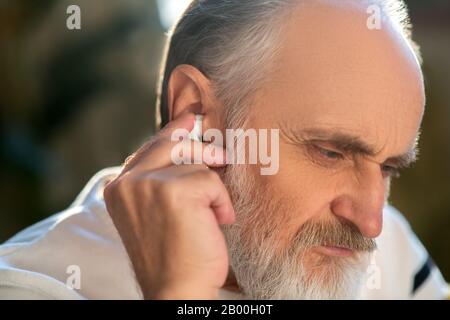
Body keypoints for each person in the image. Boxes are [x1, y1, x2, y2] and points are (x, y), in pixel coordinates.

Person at [0, 0, 448, 299]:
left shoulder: (392, 256)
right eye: (330, 152)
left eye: (389, 168)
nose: (370, 222)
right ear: (198, 114)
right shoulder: (32, 286)